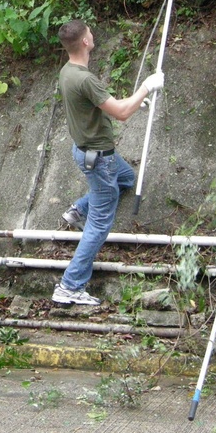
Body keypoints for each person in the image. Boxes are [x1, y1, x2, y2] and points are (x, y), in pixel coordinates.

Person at [52, 20, 164, 305]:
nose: (92, 33)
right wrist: (146, 88)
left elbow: (106, 106)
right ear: (86, 42)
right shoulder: (84, 78)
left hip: (88, 152)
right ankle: (70, 286)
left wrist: (137, 102)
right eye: (90, 31)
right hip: (99, 159)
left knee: (126, 178)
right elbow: (122, 113)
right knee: (99, 226)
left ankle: (78, 209)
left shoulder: (68, 72)